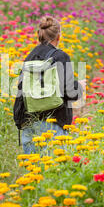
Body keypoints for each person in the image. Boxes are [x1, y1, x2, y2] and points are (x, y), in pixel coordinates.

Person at [13, 16, 85, 154]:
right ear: (58, 36)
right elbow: (70, 92)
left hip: (29, 124)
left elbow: (21, 91)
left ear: (39, 35)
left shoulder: (29, 57)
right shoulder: (61, 57)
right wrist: (80, 86)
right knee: (53, 171)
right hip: (53, 123)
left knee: (34, 172)